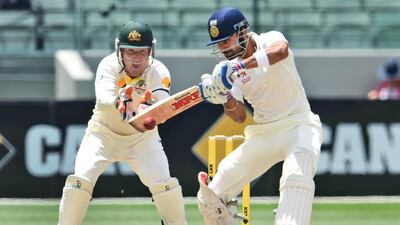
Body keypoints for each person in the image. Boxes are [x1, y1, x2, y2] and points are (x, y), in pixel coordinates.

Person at [197, 7, 323, 225]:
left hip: (299, 125)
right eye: (219, 43)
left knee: (296, 180)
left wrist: (239, 66)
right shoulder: (224, 69)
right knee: (210, 198)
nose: (223, 48)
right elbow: (237, 116)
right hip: (264, 133)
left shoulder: (270, 39)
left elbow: (281, 51)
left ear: (243, 31)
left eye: (227, 40)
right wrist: (224, 97)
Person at [57, 21, 187, 225]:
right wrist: (123, 101)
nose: (136, 60)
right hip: (103, 135)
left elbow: (162, 104)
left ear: (150, 50)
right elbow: (104, 100)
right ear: (120, 51)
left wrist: (147, 109)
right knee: (78, 184)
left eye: (142, 52)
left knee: (166, 186)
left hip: (142, 140)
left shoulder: (158, 71)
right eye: (130, 52)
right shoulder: (108, 65)